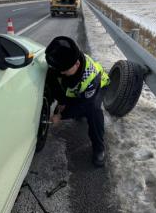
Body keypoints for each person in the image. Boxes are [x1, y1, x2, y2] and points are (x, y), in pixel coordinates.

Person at [45, 36, 110, 167]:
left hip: (98, 88)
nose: (61, 73)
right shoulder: (62, 63)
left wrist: (61, 116)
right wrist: (61, 104)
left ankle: (99, 148)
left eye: (64, 70)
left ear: (77, 64)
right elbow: (55, 85)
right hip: (76, 89)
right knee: (69, 104)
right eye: (59, 70)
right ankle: (73, 110)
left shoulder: (90, 77)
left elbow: (84, 105)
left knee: (93, 112)